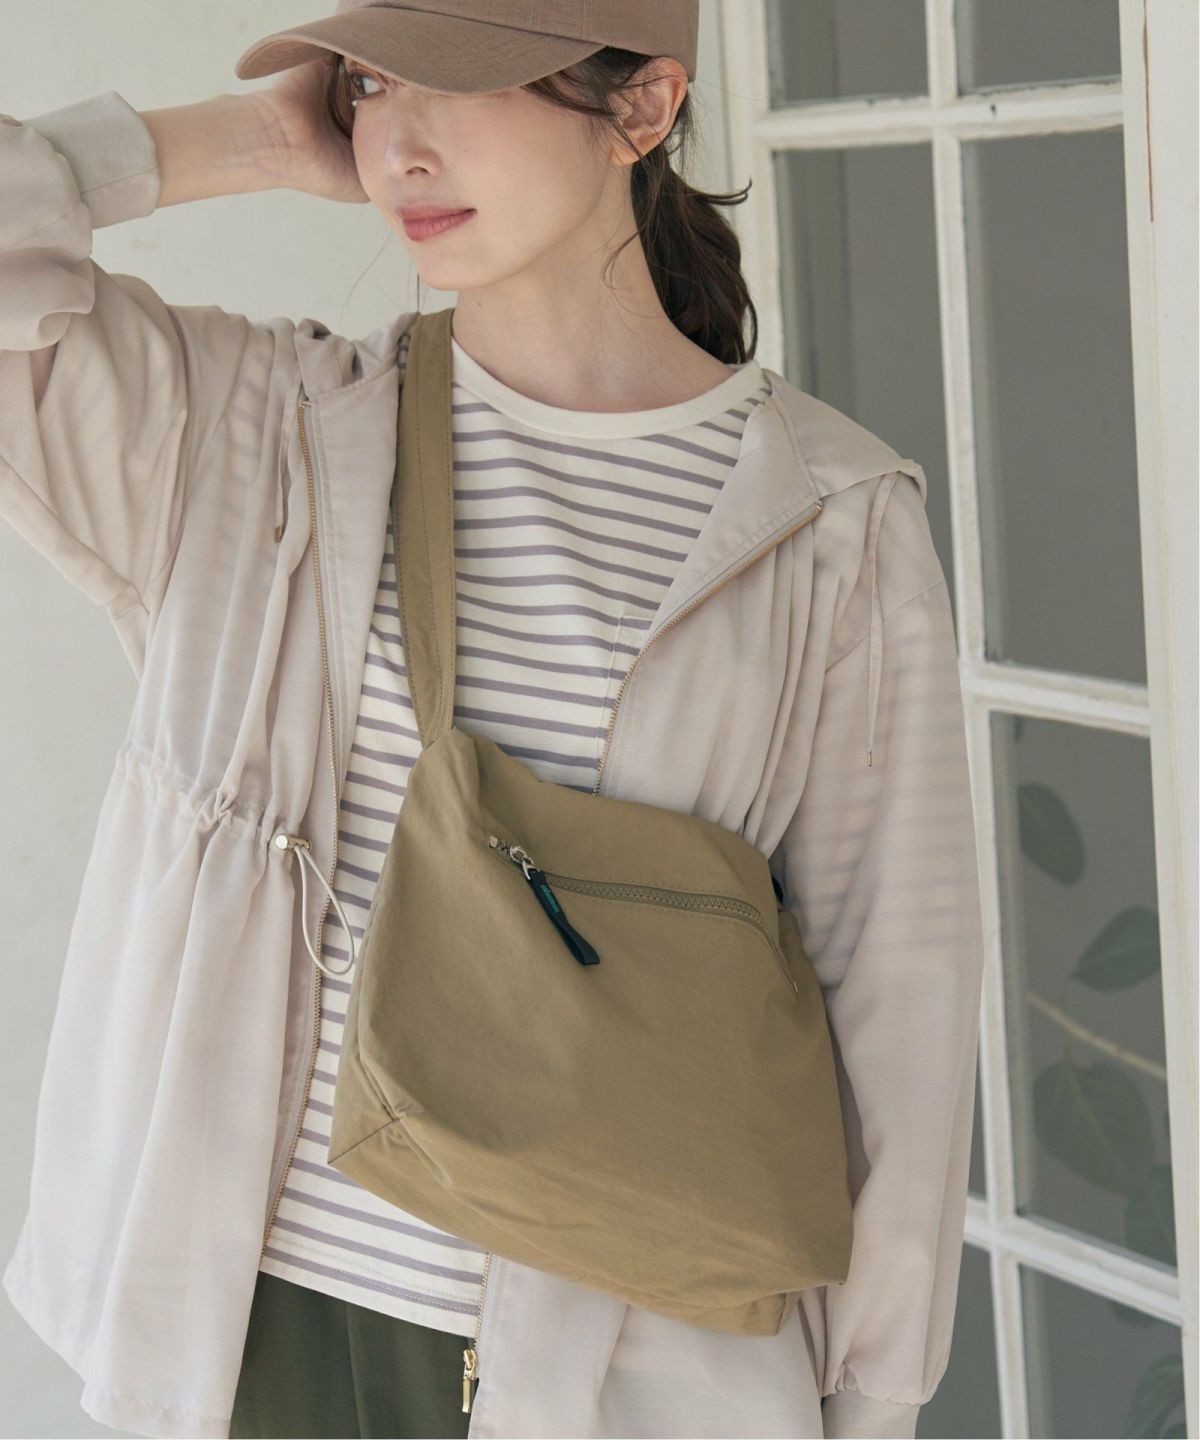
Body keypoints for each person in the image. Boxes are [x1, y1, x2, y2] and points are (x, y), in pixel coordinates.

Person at [0, 2, 987, 1438]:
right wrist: (246, 140)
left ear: (641, 108)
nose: (399, 145)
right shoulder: (260, 433)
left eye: (459, 83)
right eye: (370, 85)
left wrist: (870, 1402)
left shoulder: (830, 524)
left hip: (626, 1373)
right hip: (243, 1335)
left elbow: (896, 1003)